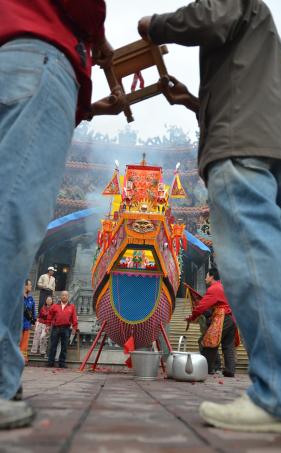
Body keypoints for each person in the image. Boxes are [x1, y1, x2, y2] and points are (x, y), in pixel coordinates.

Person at [138, 0, 281, 433]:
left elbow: (209, 16)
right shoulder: (257, 32)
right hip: (266, 143)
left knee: (253, 263)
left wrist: (153, 25)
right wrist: (192, 101)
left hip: (241, 147)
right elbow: (239, 93)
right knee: (268, 258)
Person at [0, 0, 125, 429]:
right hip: (39, 50)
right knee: (12, 215)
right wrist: (100, 41)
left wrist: (86, 108)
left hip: (14, 52)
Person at [186, 268, 237, 377]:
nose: (205, 278)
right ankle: (230, 370)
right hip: (232, 319)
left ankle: (206, 368)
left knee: (209, 342)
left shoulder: (214, 289)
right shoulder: (223, 287)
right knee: (228, 345)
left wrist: (192, 317)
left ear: (212, 276)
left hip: (222, 317)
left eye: (207, 275)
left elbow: (201, 307)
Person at [46, 291, 78, 368]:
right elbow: (49, 315)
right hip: (56, 328)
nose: (64, 297)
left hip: (66, 328)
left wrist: (74, 327)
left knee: (64, 347)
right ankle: (51, 362)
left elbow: (74, 318)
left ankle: (62, 363)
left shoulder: (72, 307)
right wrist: (48, 325)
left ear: (68, 297)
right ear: (60, 296)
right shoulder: (55, 306)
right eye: (63, 295)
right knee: (53, 345)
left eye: (66, 295)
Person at [20, 279, 36, 365]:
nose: (31, 287)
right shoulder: (18, 297)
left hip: (26, 324)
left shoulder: (31, 298)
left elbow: (33, 311)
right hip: (17, 325)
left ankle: (23, 359)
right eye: (29, 285)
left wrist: (33, 322)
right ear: (25, 286)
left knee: (25, 343)